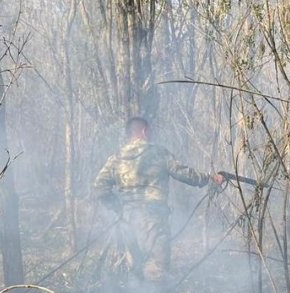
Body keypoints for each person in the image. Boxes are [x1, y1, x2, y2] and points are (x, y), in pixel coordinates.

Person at [94, 117, 224, 281]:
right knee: (157, 271)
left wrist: (118, 208)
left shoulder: (116, 158)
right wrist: (210, 178)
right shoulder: (158, 153)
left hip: (127, 220)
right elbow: (184, 173)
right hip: (153, 219)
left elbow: (99, 187)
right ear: (144, 131)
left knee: (135, 271)